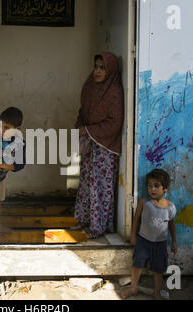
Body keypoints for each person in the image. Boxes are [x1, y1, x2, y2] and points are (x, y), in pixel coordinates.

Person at [72, 52, 124, 238]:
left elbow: (114, 123)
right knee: (86, 184)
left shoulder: (114, 92)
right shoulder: (90, 86)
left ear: (110, 69)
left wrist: (87, 130)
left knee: (100, 187)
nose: (98, 71)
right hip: (89, 144)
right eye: (96, 67)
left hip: (105, 147)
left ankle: (98, 227)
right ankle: (85, 220)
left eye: (102, 68)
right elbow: (82, 110)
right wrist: (79, 127)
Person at [121, 168, 177, 300]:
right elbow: (136, 219)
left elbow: (171, 225)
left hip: (160, 244)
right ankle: (133, 288)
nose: (152, 189)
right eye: (149, 186)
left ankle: (156, 292)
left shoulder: (170, 207)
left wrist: (174, 240)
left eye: (156, 186)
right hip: (143, 241)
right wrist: (133, 235)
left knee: (158, 269)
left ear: (165, 188)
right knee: (137, 264)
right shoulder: (144, 202)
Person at [0, 106, 26, 202]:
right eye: (0, 126)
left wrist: (1, 165)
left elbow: (18, 166)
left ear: (17, 129)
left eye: (6, 127)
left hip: (0, 180)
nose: (2, 130)